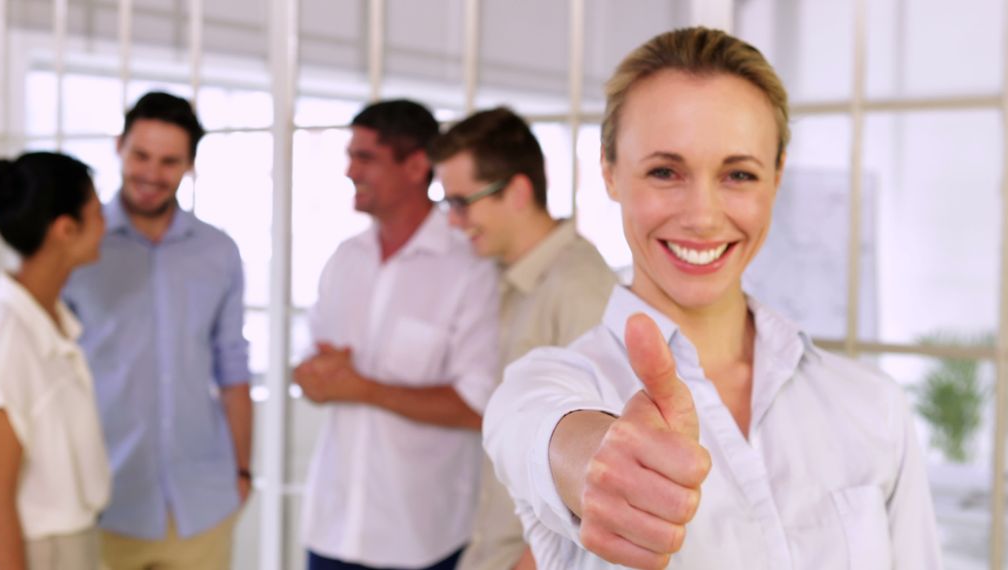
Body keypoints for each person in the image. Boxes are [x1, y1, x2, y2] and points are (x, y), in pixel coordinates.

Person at [483, 27, 942, 569]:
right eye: (664, 171)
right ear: (608, 173)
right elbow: (531, 429)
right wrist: (592, 461)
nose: (702, 216)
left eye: (738, 174)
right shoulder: (549, 384)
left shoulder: (873, 406)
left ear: (777, 176)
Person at [295, 99, 501, 570]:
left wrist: (360, 386)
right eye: (350, 156)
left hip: (423, 540)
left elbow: (477, 407)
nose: (349, 171)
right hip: (331, 529)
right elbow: (308, 371)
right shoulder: (344, 260)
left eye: (364, 157)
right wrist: (315, 375)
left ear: (415, 166)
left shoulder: (468, 269)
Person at [63, 91, 252, 570]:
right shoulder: (78, 249)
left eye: (169, 161)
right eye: (141, 155)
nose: (151, 174)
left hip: (202, 503)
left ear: (189, 165)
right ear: (118, 147)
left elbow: (232, 367)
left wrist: (242, 472)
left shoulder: (218, 252)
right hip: (105, 501)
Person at [429, 107, 617, 570]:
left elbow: (602, 466)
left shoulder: (578, 289)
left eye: (462, 202)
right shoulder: (499, 277)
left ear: (516, 191)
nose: (453, 222)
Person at [0, 152, 110, 570]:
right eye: (97, 213)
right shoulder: (6, 335)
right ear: (65, 229)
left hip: (72, 547)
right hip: (32, 555)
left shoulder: (51, 322)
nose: (106, 227)